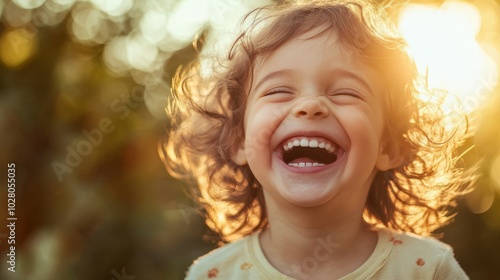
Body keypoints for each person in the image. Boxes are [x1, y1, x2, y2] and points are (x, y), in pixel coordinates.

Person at [164, 0, 474, 279]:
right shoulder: (213, 275)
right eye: (278, 91)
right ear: (238, 140)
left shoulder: (427, 269)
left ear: (389, 146)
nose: (310, 105)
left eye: (345, 92)